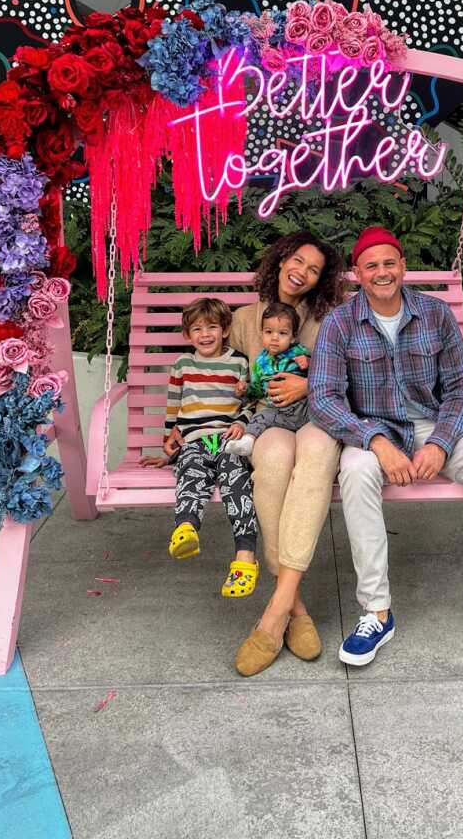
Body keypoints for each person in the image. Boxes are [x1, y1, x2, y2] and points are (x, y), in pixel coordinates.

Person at [309, 225, 463, 666]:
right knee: (358, 471)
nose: (382, 272)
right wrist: (375, 440)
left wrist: (440, 443)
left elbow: (461, 385)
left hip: (434, 425)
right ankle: (376, 610)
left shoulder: (435, 314)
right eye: (371, 266)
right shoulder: (340, 322)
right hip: (372, 429)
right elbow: (323, 397)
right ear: (356, 275)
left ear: (403, 267)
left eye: (389, 263)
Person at [229, 231, 346, 676]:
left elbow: (349, 373)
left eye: (314, 269)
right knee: (274, 461)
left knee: (314, 457)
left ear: (320, 281)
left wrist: (308, 382)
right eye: (297, 261)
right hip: (270, 418)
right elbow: (216, 366)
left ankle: (273, 614)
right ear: (280, 261)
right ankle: (294, 607)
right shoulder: (244, 319)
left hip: (319, 413)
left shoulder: (327, 320)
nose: (302, 272)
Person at [139, 297, 259, 599]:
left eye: (212, 327)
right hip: (194, 440)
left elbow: (251, 403)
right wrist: (168, 447)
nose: (205, 335)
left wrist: (242, 424)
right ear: (187, 335)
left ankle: (244, 557)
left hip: (228, 438)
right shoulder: (183, 364)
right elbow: (174, 407)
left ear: (226, 330)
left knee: (237, 483)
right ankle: (187, 529)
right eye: (197, 329)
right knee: (192, 474)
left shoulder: (239, 362)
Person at [225, 301, 311, 460]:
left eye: (283, 333)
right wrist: (245, 390)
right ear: (262, 333)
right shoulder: (260, 363)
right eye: (269, 332)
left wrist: (309, 363)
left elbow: (323, 374)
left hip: (305, 408)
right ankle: (248, 442)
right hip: (279, 413)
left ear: (293, 337)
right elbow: (257, 391)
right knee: (260, 417)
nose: (274, 338)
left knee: (325, 408)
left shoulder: (299, 352)